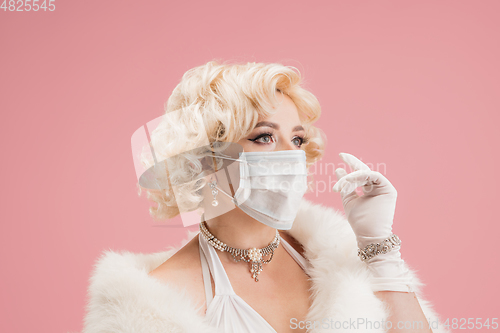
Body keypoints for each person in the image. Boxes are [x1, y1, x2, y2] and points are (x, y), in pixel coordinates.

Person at [80, 61, 449, 333]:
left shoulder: (338, 257)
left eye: (298, 140)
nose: (293, 157)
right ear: (206, 157)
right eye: (264, 137)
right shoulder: (154, 303)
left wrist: (379, 245)